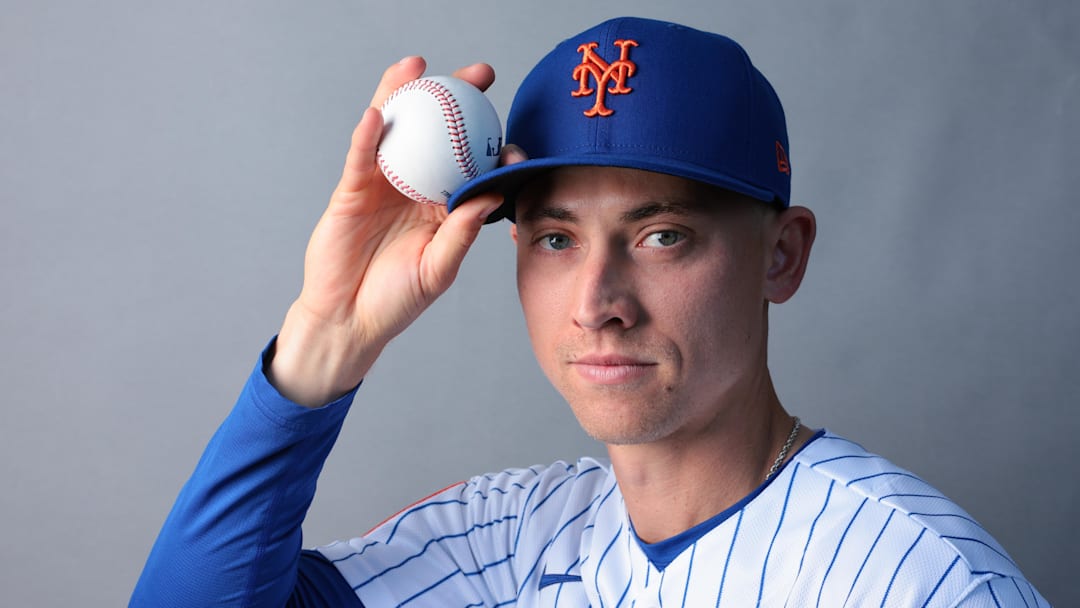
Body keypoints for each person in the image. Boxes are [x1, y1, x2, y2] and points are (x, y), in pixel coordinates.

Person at [130, 17, 1048, 607]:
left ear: (782, 254)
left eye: (663, 237)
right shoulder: (503, 543)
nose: (599, 306)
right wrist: (326, 338)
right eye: (556, 239)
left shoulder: (911, 578)